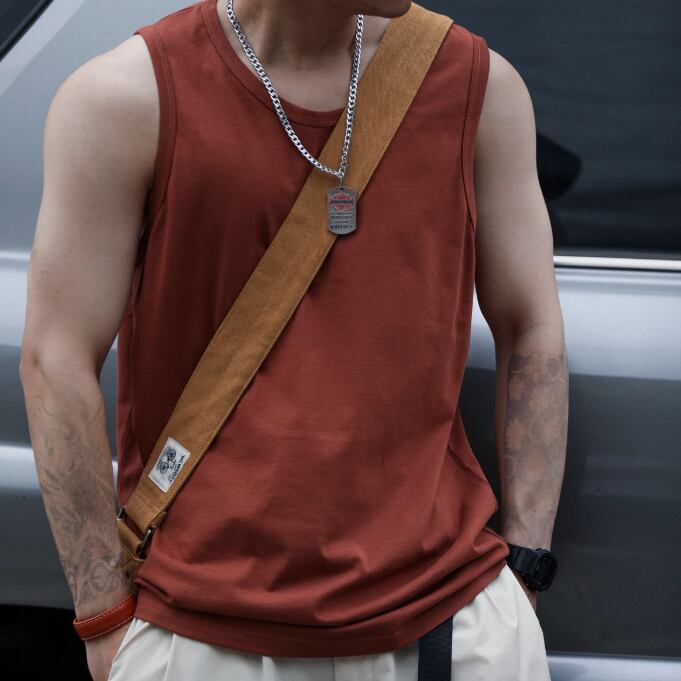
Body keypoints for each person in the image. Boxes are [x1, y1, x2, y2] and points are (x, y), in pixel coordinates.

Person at [19, 0, 568, 679]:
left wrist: (526, 567)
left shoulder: (478, 88)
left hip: (451, 625)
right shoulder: (125, 98)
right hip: (203, 634)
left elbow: (530, 324)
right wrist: (103, 618)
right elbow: (55, 359)